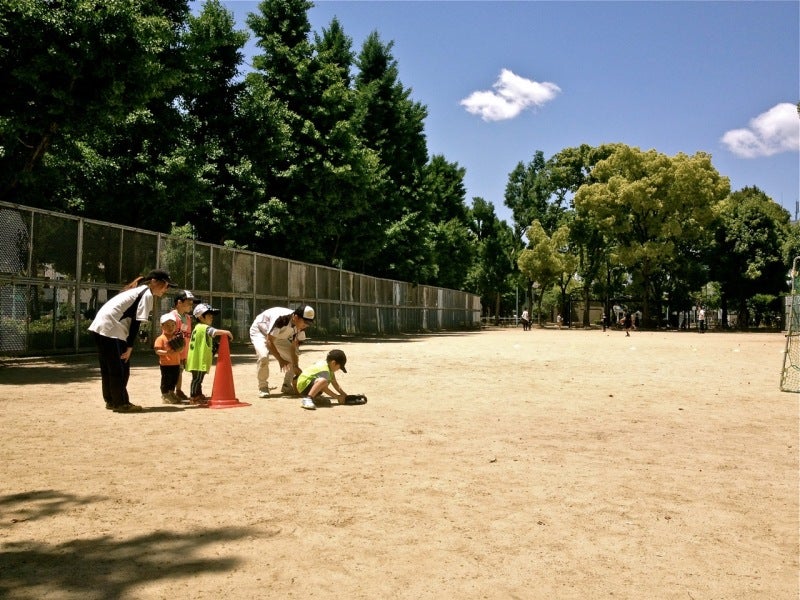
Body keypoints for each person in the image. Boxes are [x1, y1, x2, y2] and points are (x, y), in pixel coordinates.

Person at [88, 269, 177, 413]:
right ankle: (121, 403)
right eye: (165, 285)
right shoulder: (146, 294)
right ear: (154, 282)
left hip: (101, 327)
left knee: (109, 368)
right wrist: (130, 347)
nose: (166, 289)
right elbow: (136, 322)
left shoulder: (139, 291)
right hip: (111, 330)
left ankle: (111, 401)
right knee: (120, 369)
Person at [249, 305, 315, 398]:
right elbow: (269, 341)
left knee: (293, 357)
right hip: (260, 331)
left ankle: (286, 386)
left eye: (309, 323)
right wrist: (280, 360)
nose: (306, 325)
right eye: (305, 322)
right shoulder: (282, 319)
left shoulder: (300, 327)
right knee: (263, 357)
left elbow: (293, 348)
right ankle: (263, 386)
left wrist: (295, 366)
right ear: (296, 317)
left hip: (279, 336)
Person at [185, 303, 233, 406]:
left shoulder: (199, 327)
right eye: (209, 315)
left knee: (199, 379)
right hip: (197, 359)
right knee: (197, 379)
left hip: (198, 359)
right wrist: (227, 332)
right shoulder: (202, 327)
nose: (212, 317)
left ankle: (198, 394)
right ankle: (193, 397)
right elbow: (214, 332)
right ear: (201, 317)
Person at [169, 289, 198, 400]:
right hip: (175, 350)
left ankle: (178, 390)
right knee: (174, 371)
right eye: (189, 302)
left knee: (180, 370)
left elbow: (188, 334)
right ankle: (170, 391)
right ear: (179, 303)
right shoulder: (172, 316)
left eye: (192, 303)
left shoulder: (187, 318)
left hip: (184, 350)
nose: (191, 305)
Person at [153, 313, 183, 404]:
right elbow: (157, 351)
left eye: (173, 325)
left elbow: (180, 350)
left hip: (176, 363)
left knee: (174, 379)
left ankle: (171, 393)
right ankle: (165, 395)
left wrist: (181, 347)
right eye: (167, 325)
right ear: (162, 326)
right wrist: (166, 352)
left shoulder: (176, 337)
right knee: (166, 380)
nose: (171, 327)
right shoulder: (161, 338)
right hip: (166, 364)